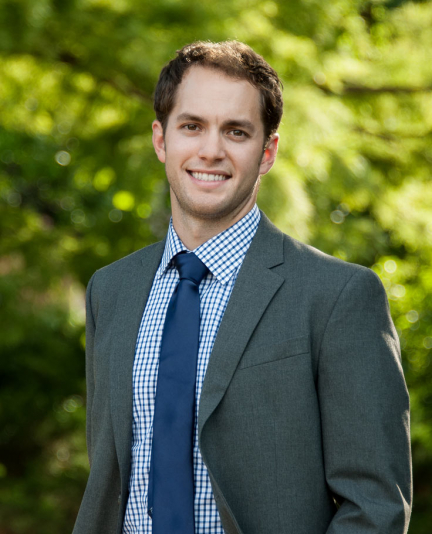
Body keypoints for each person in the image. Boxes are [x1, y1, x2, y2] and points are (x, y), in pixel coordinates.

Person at [72, 41, 412, 534]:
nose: (211, 150)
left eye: (236, 131)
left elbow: (375, 506)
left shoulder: (339, 296)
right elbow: (110, 478)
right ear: (161, 140)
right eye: (192, 126)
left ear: (267, 151)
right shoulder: (111, 291)